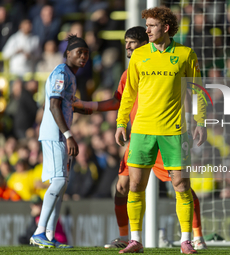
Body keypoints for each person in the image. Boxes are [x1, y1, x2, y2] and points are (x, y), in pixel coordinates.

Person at [72, 26, 207, 251]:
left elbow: (193, 90)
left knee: (182, 187)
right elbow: (119, 100)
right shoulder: (131, 70)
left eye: (131, 43)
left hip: (167, 134)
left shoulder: (174, 60)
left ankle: (196, 236)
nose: (127, 47)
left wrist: (195, 119)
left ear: (145, 43)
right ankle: (127, 237)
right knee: (123, 187)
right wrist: (89, 107)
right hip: (140, 136)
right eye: (125, 43)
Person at [115, 7, 206, 254]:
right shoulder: (139, 55)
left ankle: (186, 240)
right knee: (135, 186)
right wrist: (121, 123)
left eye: (152, 25)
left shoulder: (186, 55)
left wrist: (200, 121)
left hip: (174, 131)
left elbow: (197, 90)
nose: (147, 30)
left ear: (166, 28)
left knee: (182, 185)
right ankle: (135, 240)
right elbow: (129, 94)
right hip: (142, 130)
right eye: (147, 26)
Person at [29, 34, 90, 249]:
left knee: (61, 185)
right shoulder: (61, 73)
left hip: (60, 133)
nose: (83, 57)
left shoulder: (70, 76)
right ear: (68, 54)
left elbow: (65, 104)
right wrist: (68, 135)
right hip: (55, 133)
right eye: (79, 52)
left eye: (86, 53)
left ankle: (49, 235)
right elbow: (54, 105)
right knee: (59, 182)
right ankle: (39, 232)